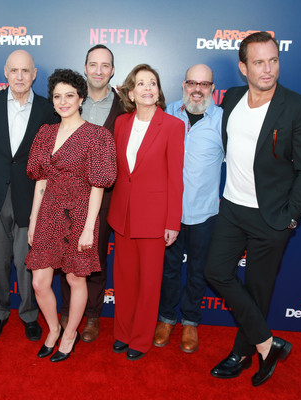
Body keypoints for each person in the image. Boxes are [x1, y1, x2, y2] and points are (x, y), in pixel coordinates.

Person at [204, 31, 301, 386]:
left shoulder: (299, 107)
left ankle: (242, 353)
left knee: (258, 290)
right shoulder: (232, 98)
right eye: (258, 62)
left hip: (272, 216)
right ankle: (268, 344)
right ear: (243, 67)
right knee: (215, 272)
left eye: (273, 60)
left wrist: (290, 217)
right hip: (232, 207)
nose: (268, 69)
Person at [26, 69, 116, 362]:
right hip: (49, 213)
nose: (63, 102)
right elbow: (41, 179)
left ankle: (69, 335)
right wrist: (33, 219)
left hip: (79, 213)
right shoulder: (45, 133)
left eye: (69, 96)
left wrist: (89, 228)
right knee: (39, 282)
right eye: (57, 97)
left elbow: (98, 186)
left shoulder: (97, 135)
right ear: (52, 101)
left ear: (80, 98)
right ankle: (54, 329)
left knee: (76, 279)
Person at [0, 50, 58, 342]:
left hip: (30, 198)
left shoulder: (47, 109)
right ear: (6, 72)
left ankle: (29, 314)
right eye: (14, 70)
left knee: (26, 262)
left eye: (26, 71)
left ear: (34, 74)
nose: (20, 77)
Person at [107, 64, 185, 361]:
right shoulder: (121, 123)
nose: (148, 88)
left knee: (149, 284)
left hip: (154, 218)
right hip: (123, 215)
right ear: (130, 93)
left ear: (159, 90)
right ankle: (122, 333)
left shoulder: (173, 126)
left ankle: (140, 340)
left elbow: (175, 178)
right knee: (124, 280)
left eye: (152, 82)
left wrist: (172, 221)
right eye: (141, 84)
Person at [154, 64, 224, 352]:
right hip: (169, 212)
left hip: (204, 213)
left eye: (204, 84)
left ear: (212, 88)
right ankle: (166, 318)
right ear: (183, 85)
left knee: (198, 271)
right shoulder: (166, 113)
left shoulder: (222, 120)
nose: (197, 89)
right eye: (192, 83)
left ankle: (191, 322)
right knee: (168, 270)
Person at [59, 44, 125, 342]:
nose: (99, 71)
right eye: (93, 64)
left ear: (112, 70)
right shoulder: (70, 98)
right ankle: (66, 310)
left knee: (95, 255)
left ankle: (93, 315)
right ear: (85, 67)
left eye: (105, 65)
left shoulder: (125, 105)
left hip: (106, 195)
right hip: (67, 193)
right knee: (66, 254)